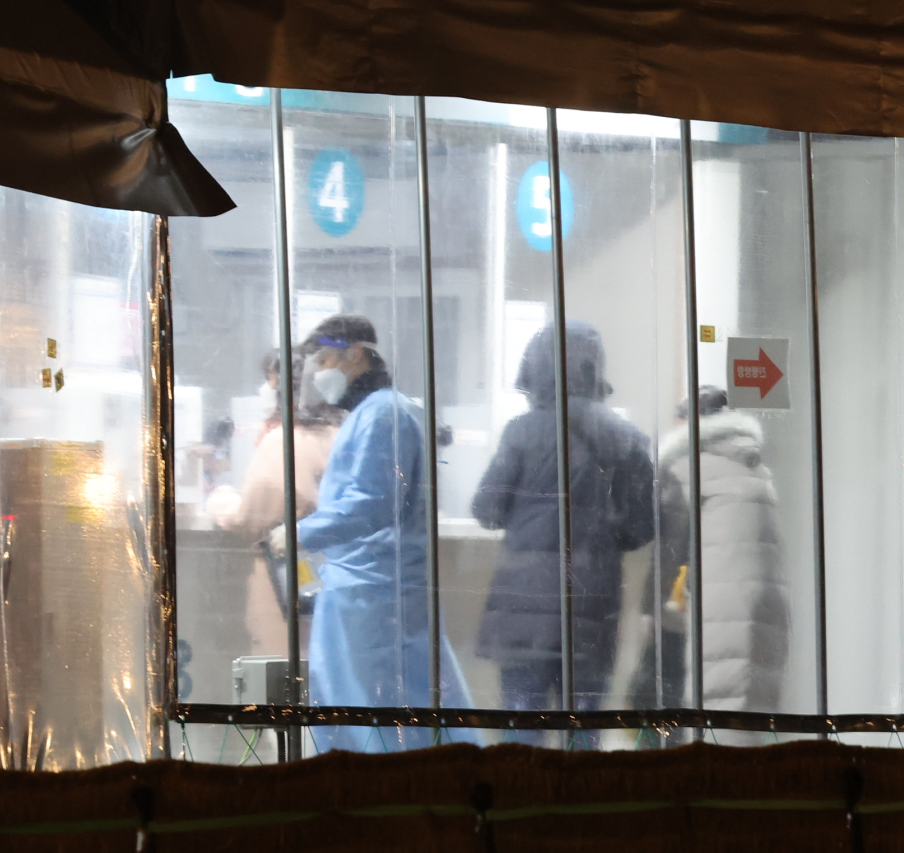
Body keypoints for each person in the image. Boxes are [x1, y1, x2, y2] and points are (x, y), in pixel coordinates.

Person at [279, 314, 476, 752]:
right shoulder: (373, 414)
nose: (320, 372)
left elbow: (374, 500)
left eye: (327, 358)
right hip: (363, 590)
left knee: (380, 713)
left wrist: (302, 533)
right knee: (351, 705)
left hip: (378, 596)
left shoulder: (385, 414)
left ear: (357, 354)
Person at [471, 321, 654, 735]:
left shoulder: (521, 432)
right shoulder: (628, 438)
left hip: (523, 611)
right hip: (593, 607)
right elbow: (642, 528)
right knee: (585, 733)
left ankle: (523, 799)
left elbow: (487, 509)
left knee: (524, 731)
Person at [647, 385, 788, 739]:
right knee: (751, 716)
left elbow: (670, 552)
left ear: (689, 422)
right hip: (768, 608)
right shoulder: (755, 469)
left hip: (720, 609)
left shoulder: (687, 467)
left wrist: (648, 606)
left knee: (713, 714)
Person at [210, 349, 344, 654]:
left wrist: (219, 499)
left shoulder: (284, 440)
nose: (267, 388)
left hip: (288, 574)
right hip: (333, 572)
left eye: (271, 380)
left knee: (282, 668)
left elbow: (251, 515)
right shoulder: (341, 432)